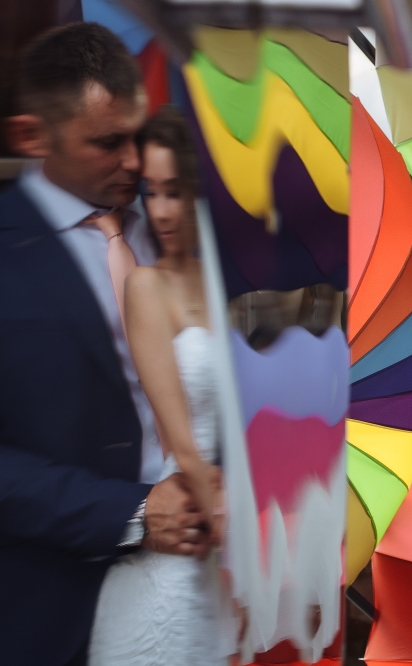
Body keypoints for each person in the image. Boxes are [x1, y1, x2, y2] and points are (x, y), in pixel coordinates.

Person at [0, 23, 209, 666]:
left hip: (200, 583)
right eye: (107, 143)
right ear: (32, 136)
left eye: (136, 137)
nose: (134, 162)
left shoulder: (188, 231)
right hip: (47, 611)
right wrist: (133, 512)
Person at [88, 105, 233, 665]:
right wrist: (224, 513)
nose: (162, 210)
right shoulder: (145, 285)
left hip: (227, 531)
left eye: (175, 191)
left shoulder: (232, 291)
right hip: (185, 526)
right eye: (151, 192)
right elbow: (181, 442)